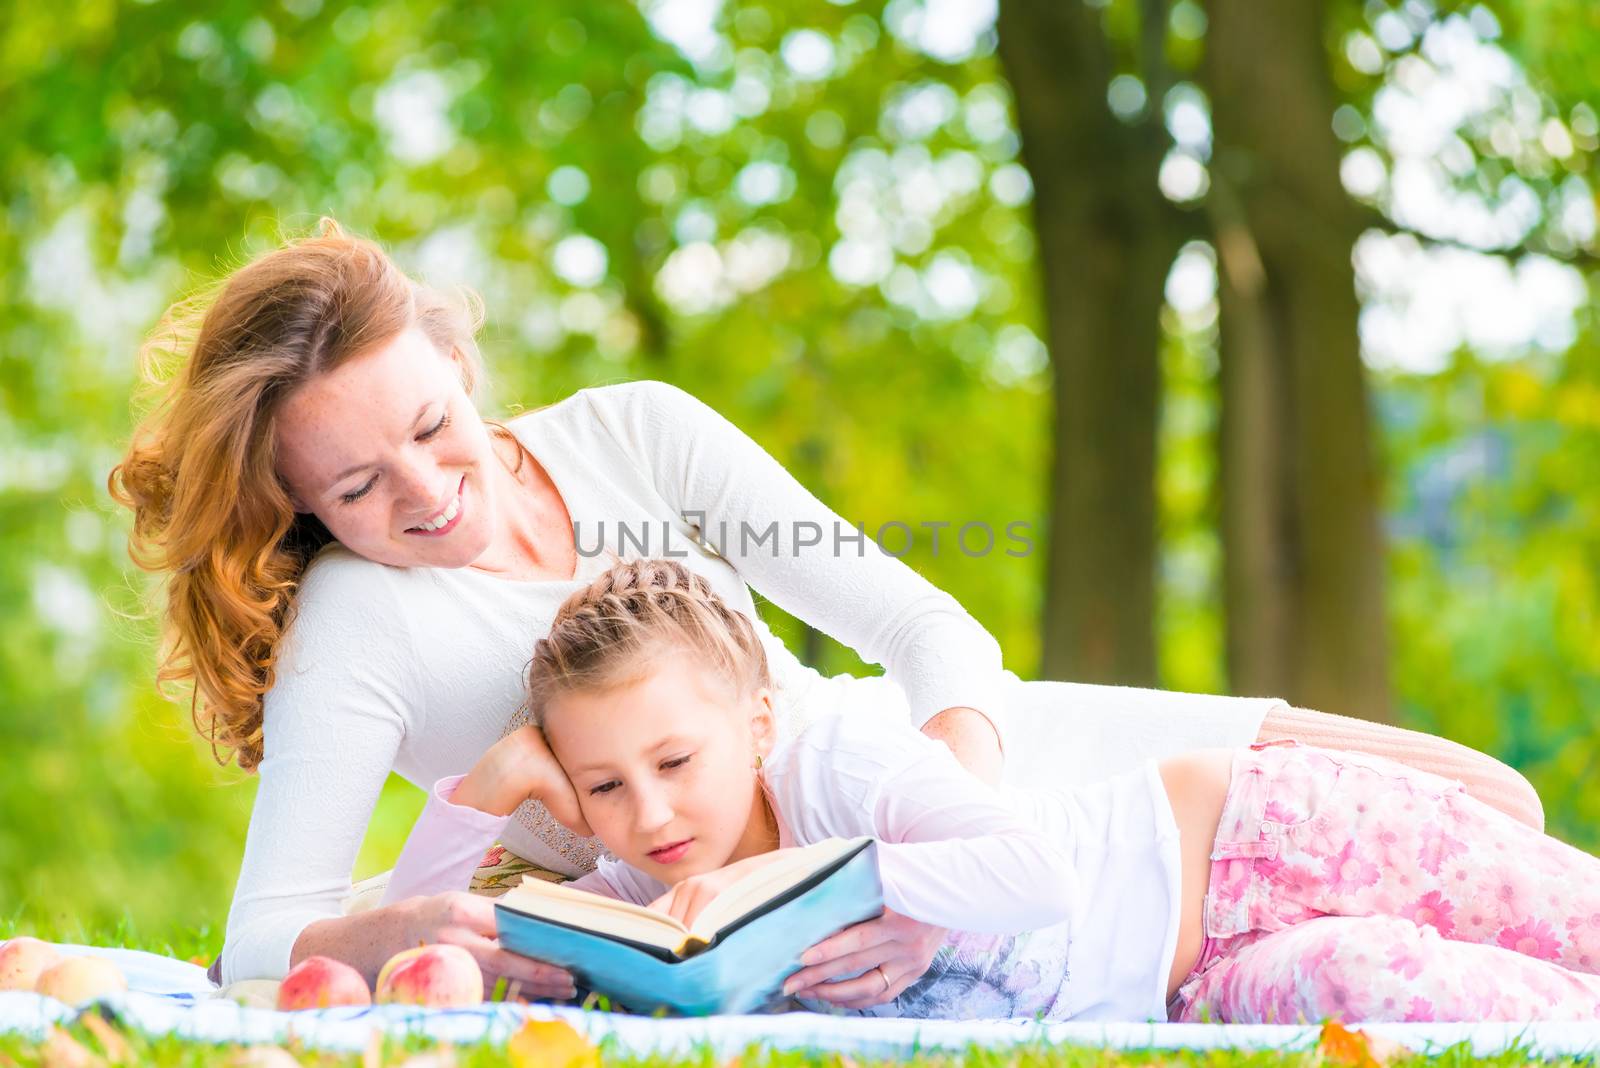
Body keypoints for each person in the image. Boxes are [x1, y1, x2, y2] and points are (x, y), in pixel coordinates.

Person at [110, 220, 1542, 1000]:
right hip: (875, 931)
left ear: (459, 357)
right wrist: (453, 868)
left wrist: (919, 868)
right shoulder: (362, 625)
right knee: (1414, 966)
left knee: (1494, 809)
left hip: (984, 786)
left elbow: (932, 637)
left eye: (434, 424)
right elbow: (261, 941)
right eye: (358, 484)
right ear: (301, 506)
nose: (427, 490)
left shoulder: (635, 432)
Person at [387, 558, 1600, 1022]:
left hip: (1252, 836)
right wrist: (485, 794)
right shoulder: (648, 900)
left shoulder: (836, 765)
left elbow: (1036, 871)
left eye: (673, 763)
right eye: (600, 786)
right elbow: (431, 947)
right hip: (1189, 987)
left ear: (751, 726)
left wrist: (852, 883)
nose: (650, 816)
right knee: (1375, 990)